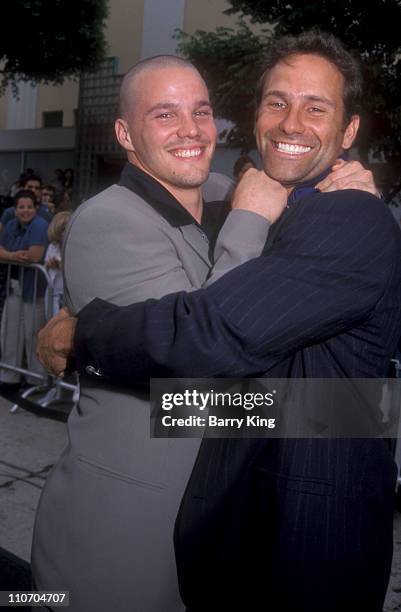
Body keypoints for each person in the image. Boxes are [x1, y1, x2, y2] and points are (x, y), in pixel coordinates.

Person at [38, 33, 401, 612]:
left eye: (201, 110)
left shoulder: (247, 198)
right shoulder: (112, 220)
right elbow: (190, 389)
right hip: (131, 520)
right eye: (165, 114)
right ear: (126, 135)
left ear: (349, 132)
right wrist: (337, 411)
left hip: (259, 526)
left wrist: (82, 336)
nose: (190, 129)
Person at [0, 190, 48, 388]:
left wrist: (6, 254)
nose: (25, 211)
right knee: (9, 332)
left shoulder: (40, 225)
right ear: (15, 209)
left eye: (29, 207)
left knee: (33, 334)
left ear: (35, 208)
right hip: (14, 287)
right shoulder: (11, 224)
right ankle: (9, 375)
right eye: (21, 207)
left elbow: (34, 256)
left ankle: (35, 379)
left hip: (34, 289)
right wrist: (12, 256)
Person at [44, 211, 71, 316]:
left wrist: (60, 265)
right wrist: (49, 264)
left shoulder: (74, 248)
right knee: (50, 319)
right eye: (62, 230)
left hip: (66, 295)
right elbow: (45, 266)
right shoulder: (52, 246)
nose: (64, 233)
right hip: (52, 291)